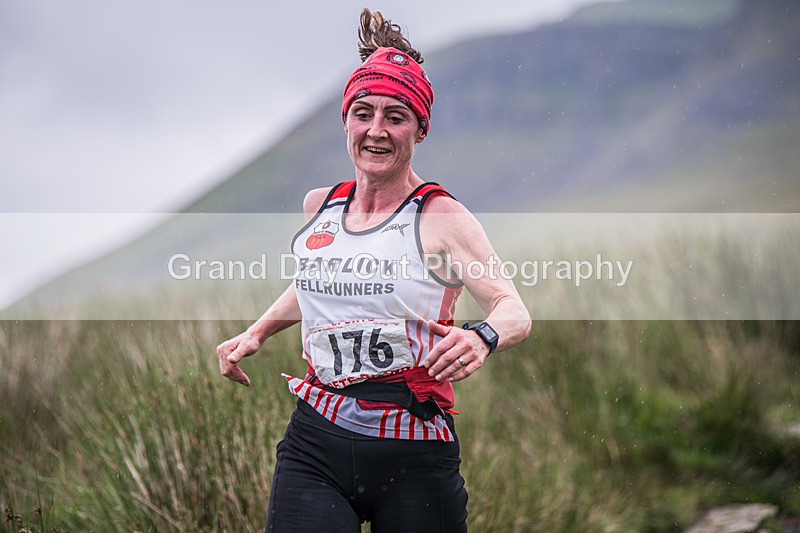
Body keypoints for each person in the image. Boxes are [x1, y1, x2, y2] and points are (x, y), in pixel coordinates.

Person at [216, 8, 531, 532]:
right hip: (316, 441)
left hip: (413, 450)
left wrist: (481, 338)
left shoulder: (441, 218)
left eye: (395, 117)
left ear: (420, 129)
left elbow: (513, 310)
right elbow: (321, 283)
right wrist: (257, 332)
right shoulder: (321, 205)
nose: (376, 131)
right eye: (363, 114)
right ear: (346, 122)